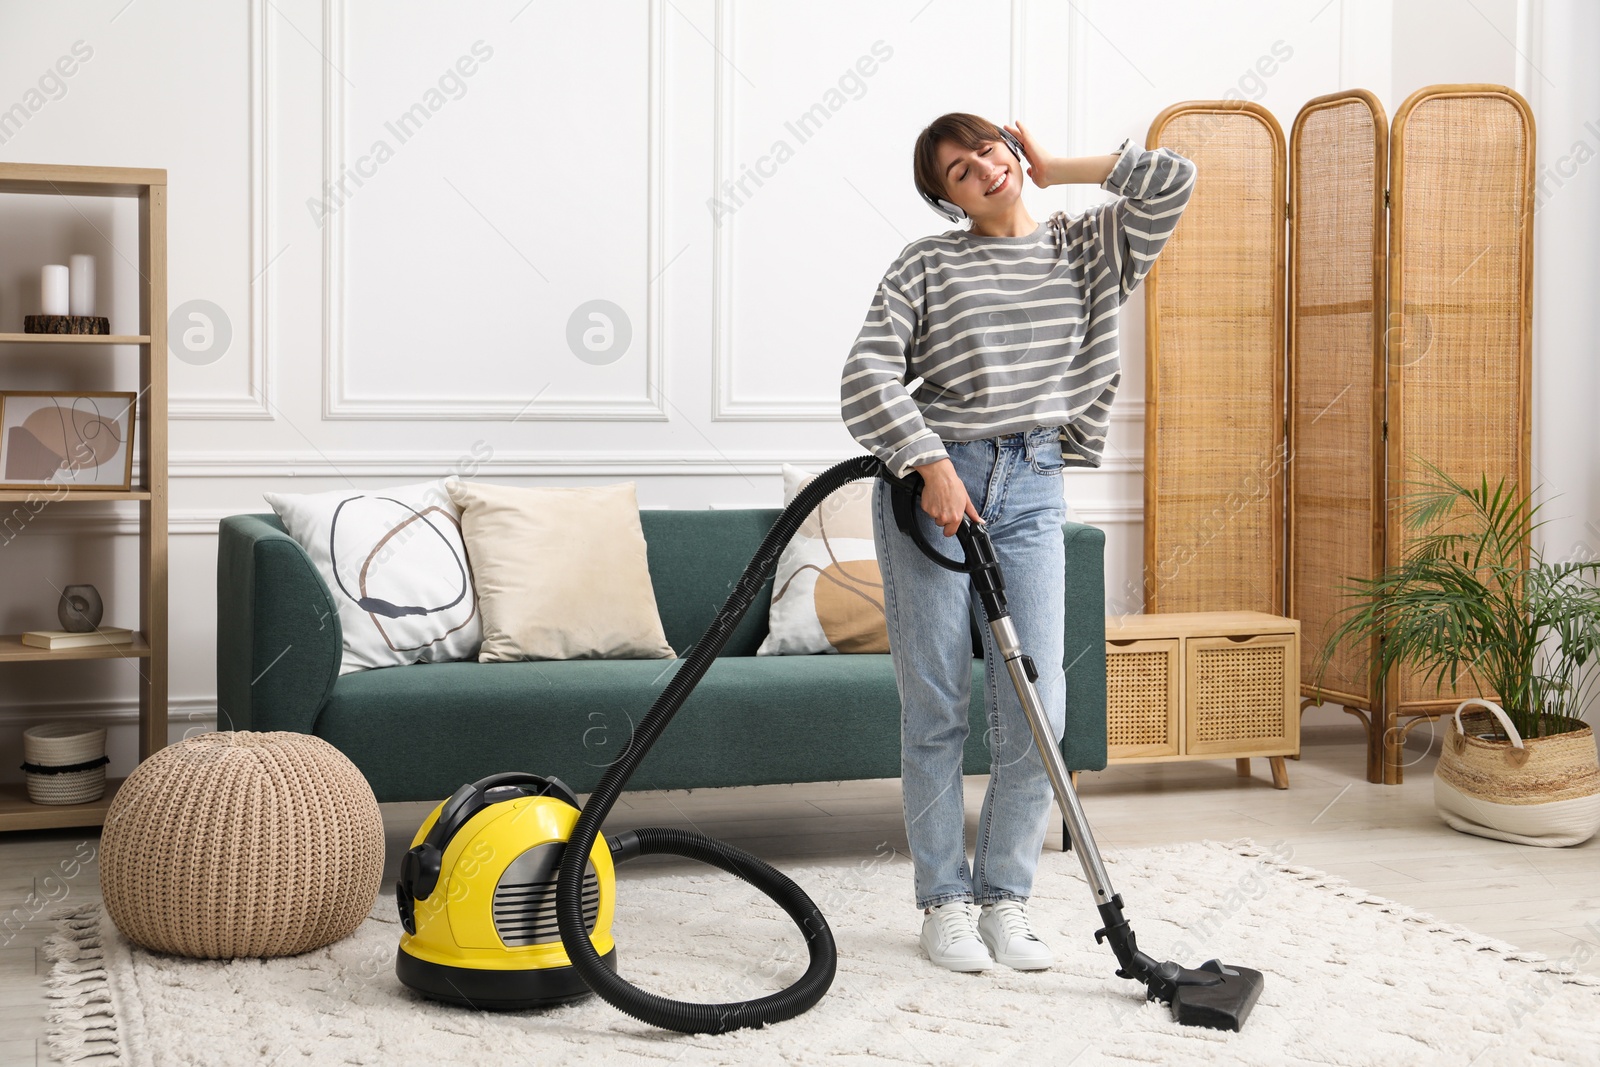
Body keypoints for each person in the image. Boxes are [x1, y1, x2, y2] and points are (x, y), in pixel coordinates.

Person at [839, 113, 1196, 972]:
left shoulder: (1090, 247)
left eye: (988, 151)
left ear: (1012, 151)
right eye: (959, 171)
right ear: (944, 199)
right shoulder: (928, 264)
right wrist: (926, 460)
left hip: (1034, 486)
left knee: (1042, 712)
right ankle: (944, 905)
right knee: (937, 712)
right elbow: (866, 372)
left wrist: (1057, 165)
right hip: (935, 487)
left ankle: (1006, 899)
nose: (983, 171)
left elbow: (1175, 178)